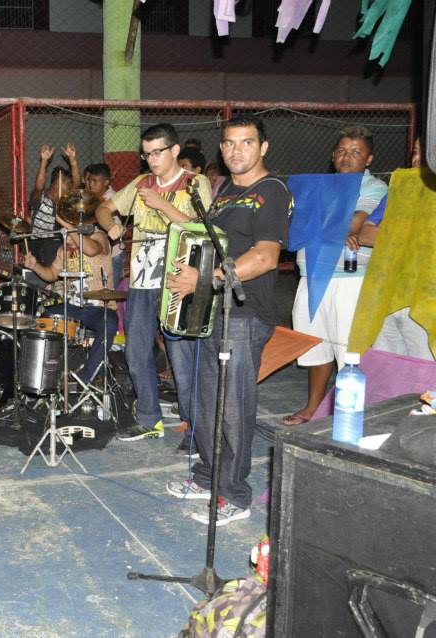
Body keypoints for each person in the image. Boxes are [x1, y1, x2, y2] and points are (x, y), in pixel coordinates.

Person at [165, 115, 292, 525]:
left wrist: (206, 278)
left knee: (233, 407)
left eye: (247, 142)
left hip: (244, 314)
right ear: (221, 149)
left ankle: (234, 494)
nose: (237, 150)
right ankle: (209, 476)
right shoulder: (223, 192)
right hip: (211, 311)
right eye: (230, 143)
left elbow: (265, 257)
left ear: (263, 147)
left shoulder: (271, 192)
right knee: (206, 402)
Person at [96, 123, 213, 442]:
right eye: (146, 154)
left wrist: (161, 204)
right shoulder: (141, 183)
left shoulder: (195, 183)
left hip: (179, 281)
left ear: (174, 150)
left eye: (157, 152)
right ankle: (150, 418)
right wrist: (110, 225)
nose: (151, 160)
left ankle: (196, 427)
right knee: (136, 352)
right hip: (141, 280)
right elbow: (103, 208)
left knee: (181, 356)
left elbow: (202, 229)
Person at [281, 126, 388, 426]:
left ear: (369, 158)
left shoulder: (373, 186)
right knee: (316, 345)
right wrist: (336, 228)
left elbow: (353, 224)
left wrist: (327, 225)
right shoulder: (320, 185)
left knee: (349, 351)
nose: (346, 157)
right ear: (332, 155)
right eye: (341, 151)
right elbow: (293, 225)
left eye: (356, 152)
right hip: (311, 275)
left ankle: (349, 415)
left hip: (350, 279)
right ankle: (313, 408)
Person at [22, 215, 119, 388]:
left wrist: (67, 224)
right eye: (64, 234)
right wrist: (35, 266)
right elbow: (52, 274)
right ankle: (44, 375)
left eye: (68, 232)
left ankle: (84, 377)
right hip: (73, 308)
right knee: (45, 317)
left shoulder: (100, 237)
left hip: (100, 309)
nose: (66, 238)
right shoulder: (63, 250)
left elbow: (91, 250)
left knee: (109, 325)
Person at [369, 136, 433, 360]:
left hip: (426, 304)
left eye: (426, 153)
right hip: (388, 296)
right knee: (388, 368)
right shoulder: (399, 191)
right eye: (415, 152)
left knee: (425, 371)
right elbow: (366, 232)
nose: (417, 159)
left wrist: (393, 236)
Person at [28, 143, 80, 267]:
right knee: (56, 244)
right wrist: (44, 162)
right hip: (39, 244)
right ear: (58, 183)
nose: (71, 188)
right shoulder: (41, 198)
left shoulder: (64, 203)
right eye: (69, 184)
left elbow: (77, 184)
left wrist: (73, 161)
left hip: (55, 246)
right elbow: (38, 186)